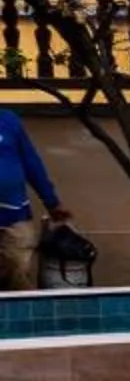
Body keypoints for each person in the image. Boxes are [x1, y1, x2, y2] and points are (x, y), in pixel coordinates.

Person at [0, 108, 72, 291]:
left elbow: (31, 162)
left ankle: (21, 316)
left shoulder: (9, 120)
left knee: (19, 270)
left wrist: (52, 202)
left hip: (14, 214)